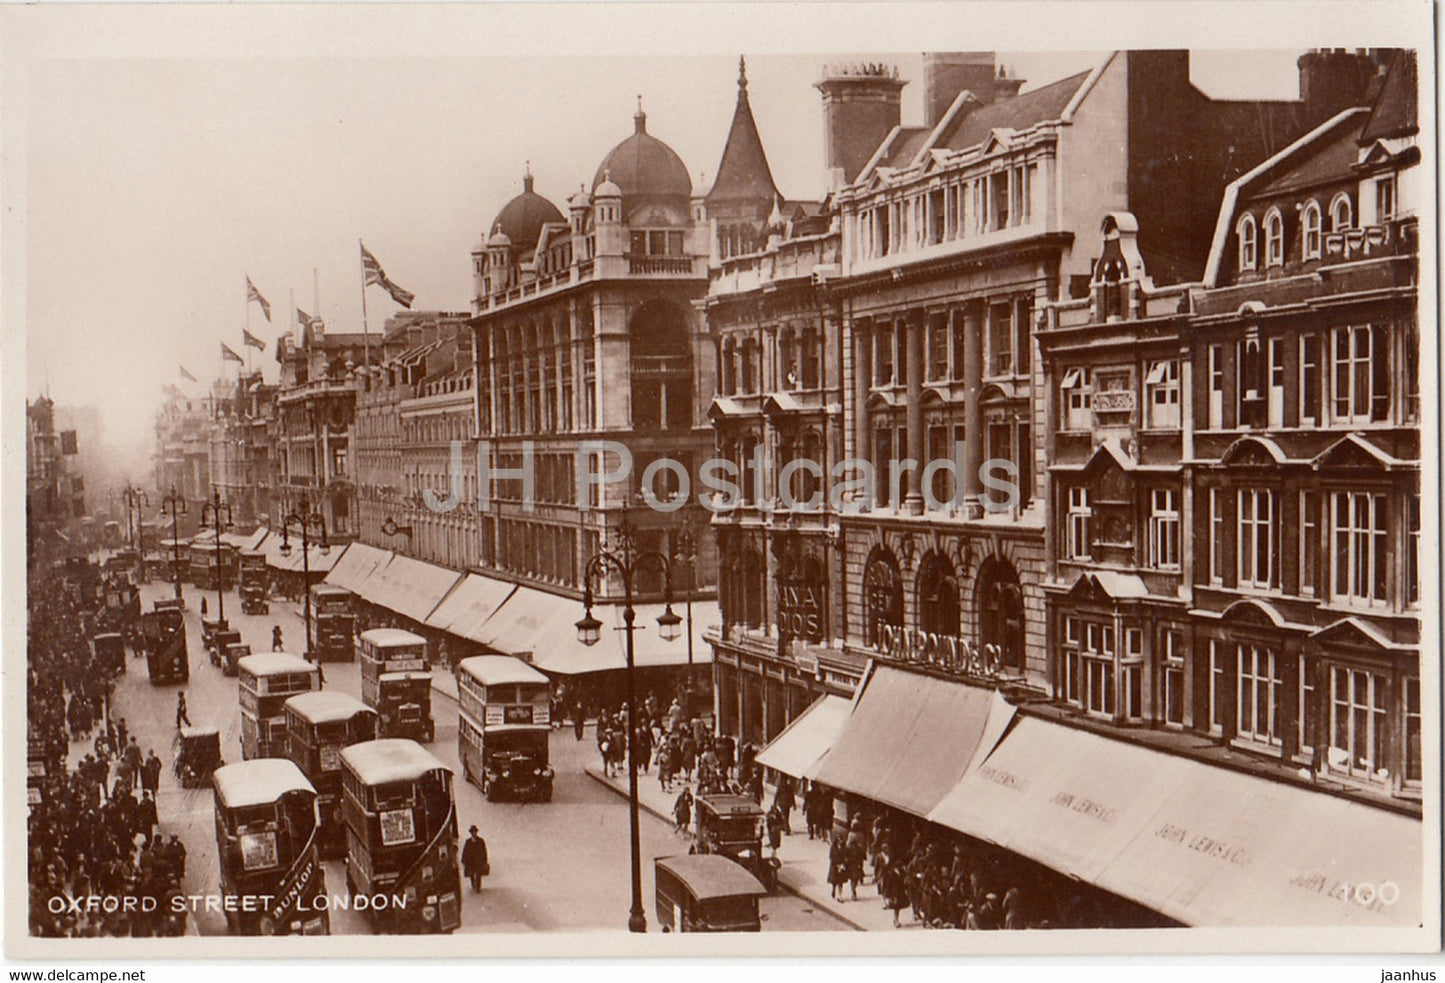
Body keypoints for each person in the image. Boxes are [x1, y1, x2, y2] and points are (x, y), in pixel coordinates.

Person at [461, 825, 489, 893]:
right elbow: (465, 850)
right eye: (472, 832)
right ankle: (473, 883)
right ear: (471, 833)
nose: (474, 833)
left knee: (478, 873)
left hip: (478, 860)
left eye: (475, 832)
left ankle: (478, 887)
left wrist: (485, 859)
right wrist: (463, 859)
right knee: (471, 873)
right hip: (471, 861)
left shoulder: (481, 841)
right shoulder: (468, 842)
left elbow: (484, 850)